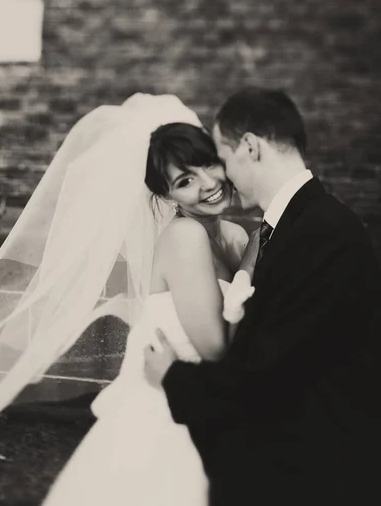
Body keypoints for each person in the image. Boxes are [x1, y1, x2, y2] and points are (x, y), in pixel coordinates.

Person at [0, 94, 255, 506]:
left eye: (207, 164)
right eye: (184, 181)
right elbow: (216, 347)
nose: (208, 183)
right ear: (167, 197)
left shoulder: (232, 236)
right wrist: (258, 252)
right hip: (169, 413)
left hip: (211, 403)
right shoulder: (185, 238)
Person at [145, 86, 381, 506]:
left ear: (249, 148)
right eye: (186, 178)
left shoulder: (319, 232)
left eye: (217, 159)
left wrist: (173, 377)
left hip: (317, 464)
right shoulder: (294, 226)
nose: (218, 178)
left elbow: (270, 366)